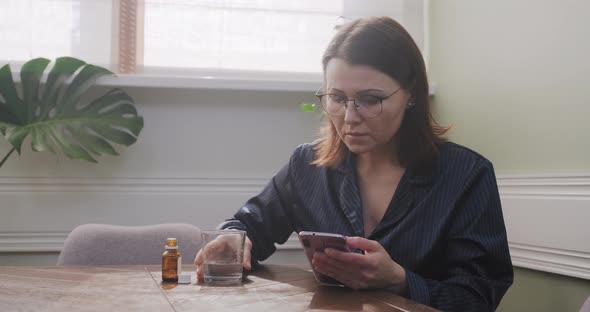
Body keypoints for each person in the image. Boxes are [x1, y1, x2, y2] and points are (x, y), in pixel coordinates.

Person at [195, 16, 513, 311]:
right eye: (336, 98)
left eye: (371, 99)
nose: (349, 118)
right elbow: (247, 226)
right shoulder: (305, 166)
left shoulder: (467, 176)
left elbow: (478, 296)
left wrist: (401, 280)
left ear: (412, 94)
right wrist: (232, 241)